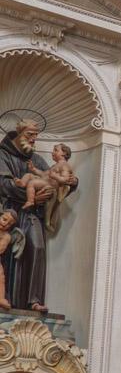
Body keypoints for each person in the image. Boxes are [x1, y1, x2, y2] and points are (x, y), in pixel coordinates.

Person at [0, 119, 78, 313]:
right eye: (30, 135)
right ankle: (6, 302)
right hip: (12, 213)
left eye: (36, 136)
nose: (34, 139)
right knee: (10, 254)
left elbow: (52, 179)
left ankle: (33, 301)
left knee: (37, 247)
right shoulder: (3, 155)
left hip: (34, 214)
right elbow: (3, 184)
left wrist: (72, 182)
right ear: (20, 133)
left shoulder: (36, 160)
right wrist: (30, 195)